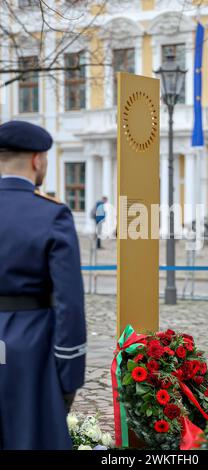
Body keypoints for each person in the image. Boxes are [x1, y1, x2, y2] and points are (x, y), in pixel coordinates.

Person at [0, 120, 86, 450]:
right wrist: (68, 378)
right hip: (29, 349)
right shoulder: (52, 215)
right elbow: (70, 304)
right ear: (38, 160)